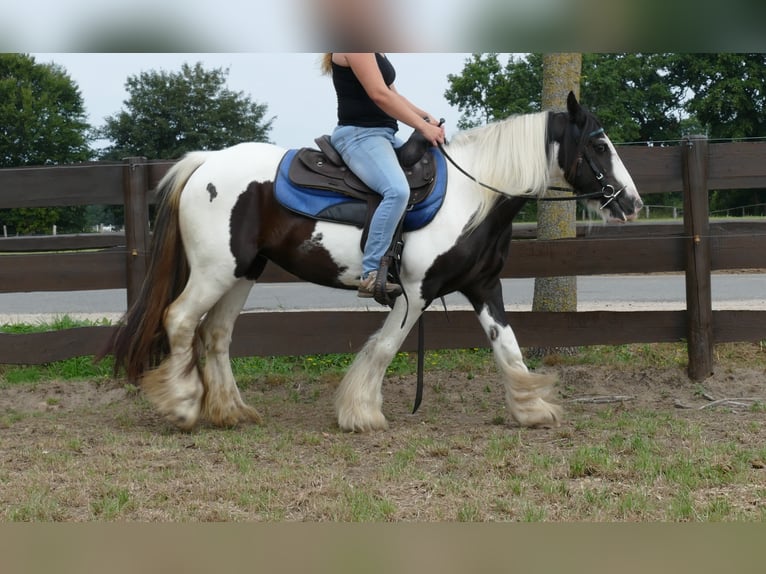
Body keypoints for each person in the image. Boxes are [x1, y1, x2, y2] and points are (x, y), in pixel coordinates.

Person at [321, 53, 446, 299]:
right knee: (397, 191)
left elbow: (393, 94)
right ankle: (370, 273)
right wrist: (423, 127)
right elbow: (379, 95)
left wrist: (424, 116)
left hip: (384, 135)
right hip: (360, 135)